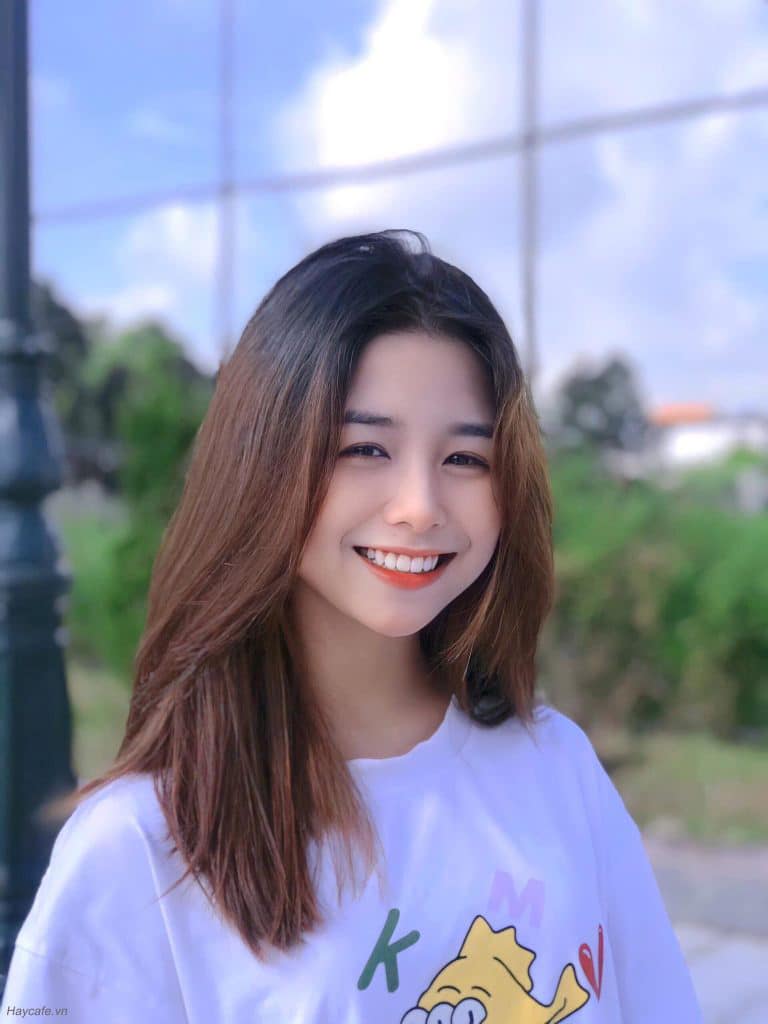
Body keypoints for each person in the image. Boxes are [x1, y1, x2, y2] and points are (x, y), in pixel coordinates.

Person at [1, 229, 703, 1022]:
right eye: (365, 448)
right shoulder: (139, 850)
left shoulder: (555, 766)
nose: (420, 506)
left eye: (465, 458)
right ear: (263, 463)